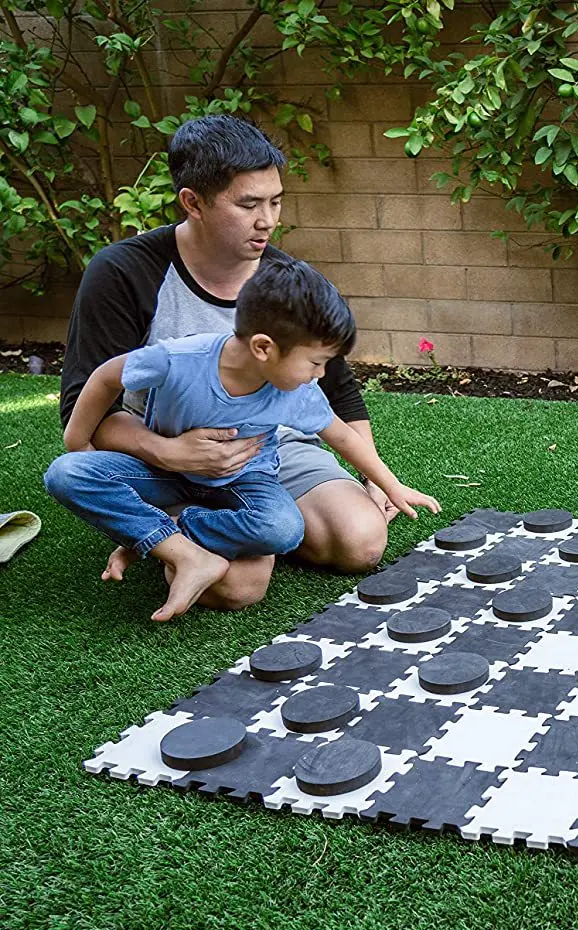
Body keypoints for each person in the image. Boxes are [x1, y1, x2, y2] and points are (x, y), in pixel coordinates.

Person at [58, 114, 397, 613]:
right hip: (163, 448)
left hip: (267, 448)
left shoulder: (287, 278)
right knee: (237, 589)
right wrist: (168, 452)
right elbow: (86, 405)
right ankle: (180, 532)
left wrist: (374, 478)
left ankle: (225, 526)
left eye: (276, 201)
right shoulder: (123, 272)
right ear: (193, 202)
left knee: (360, 542)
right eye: (248, 204)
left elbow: (337, 391)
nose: (268, 220)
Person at [46, 259, 441, 622]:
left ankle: (161, 535)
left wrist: (391, 485)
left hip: (244, 482)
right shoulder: (178, 359)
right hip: (164, 472)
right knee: (67, 474)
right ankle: (184, 552)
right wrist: (77, 440)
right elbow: (106, 377)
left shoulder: (296, 391)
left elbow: (341, 435)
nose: (320, 375)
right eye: (316, 362)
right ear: (264, 347)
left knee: (283, 528)